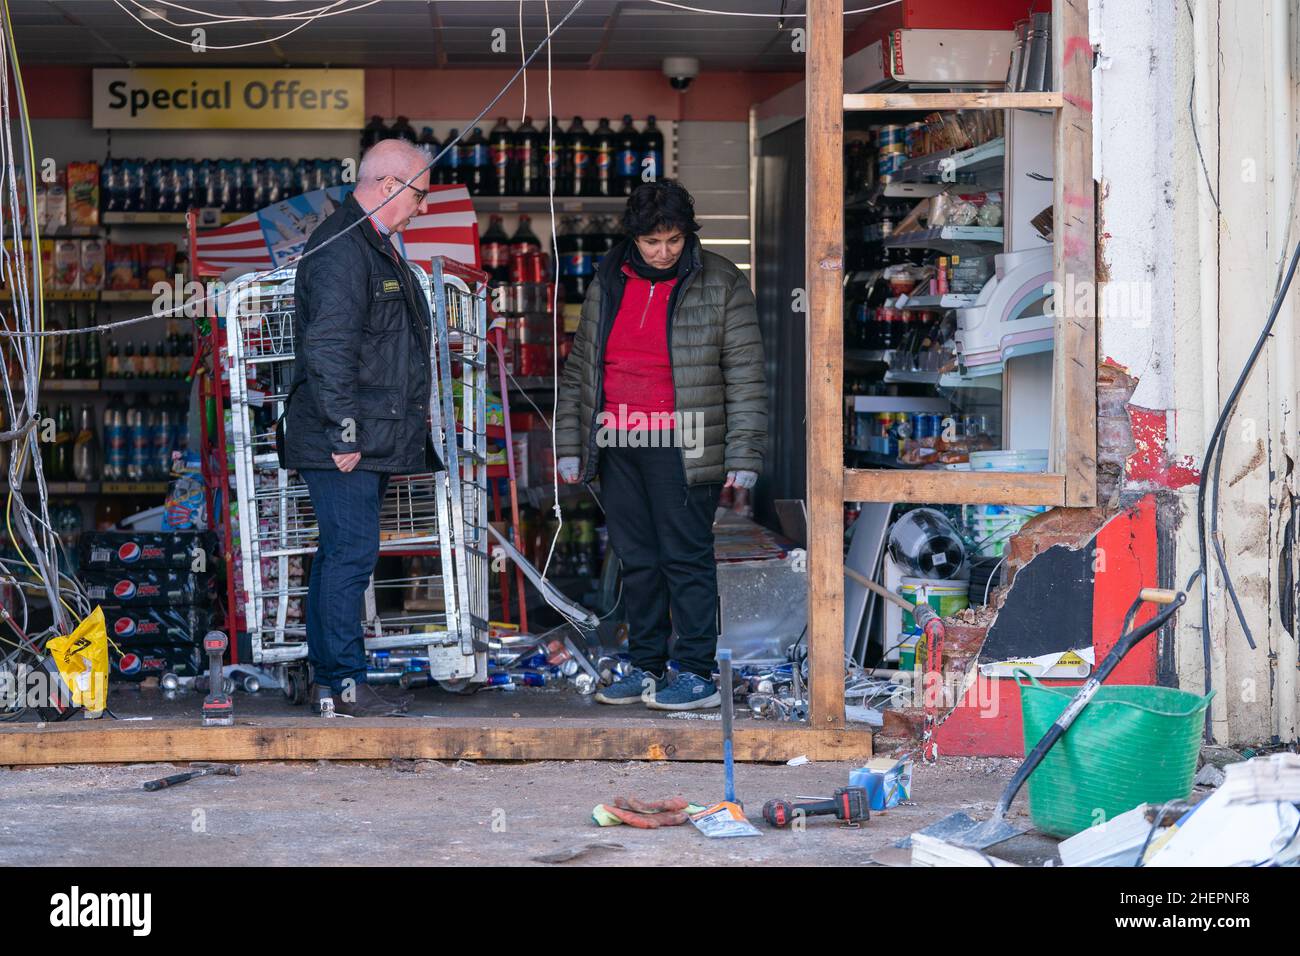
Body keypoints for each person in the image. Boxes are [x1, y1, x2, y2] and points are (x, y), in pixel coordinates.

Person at [555, 179, 766, 711]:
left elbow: (745, 374)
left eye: (673, 240)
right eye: (653, 242)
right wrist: (571, 443)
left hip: (684, 442)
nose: (664, 252)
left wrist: (744, 454)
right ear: (635, 239)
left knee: (684, 557)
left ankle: (695, 671)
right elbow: (581, 367)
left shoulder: (720, 280)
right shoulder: (609, 277)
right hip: (618, 438)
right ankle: (645, 664)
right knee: (635, 558)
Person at [283, 139, 434, 717]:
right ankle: (342, 681)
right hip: (344, 439)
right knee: (351, 556)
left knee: (340, 555)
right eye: (418, 195)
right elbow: (328, 347)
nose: (420, 207)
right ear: (390, 186)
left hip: (359, 433)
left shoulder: (369, 243)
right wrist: (345, 432)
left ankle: (332, 682)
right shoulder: (346, 248)